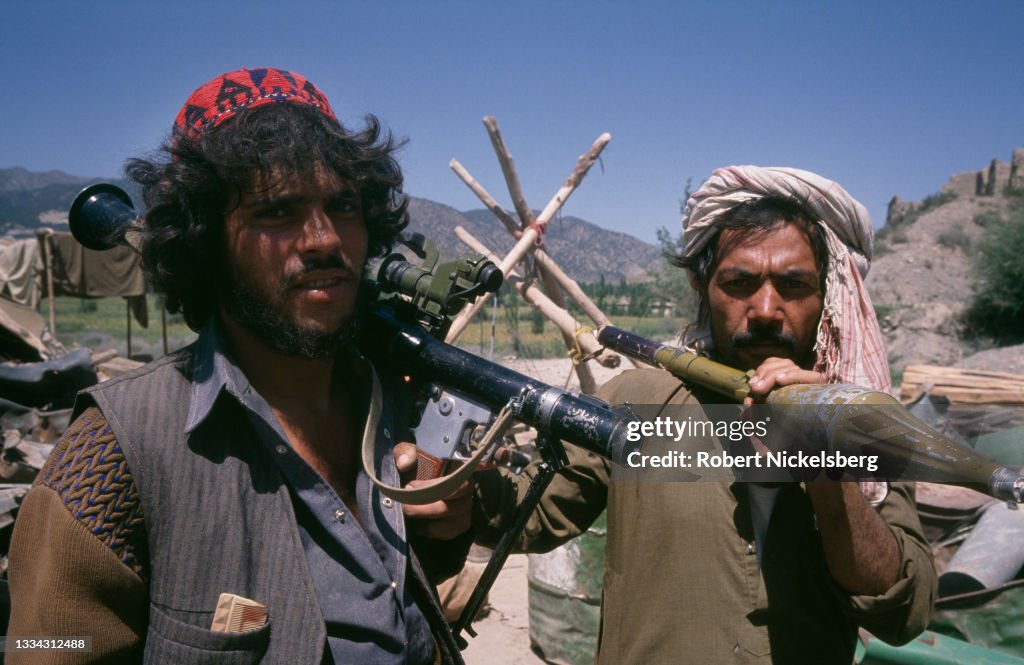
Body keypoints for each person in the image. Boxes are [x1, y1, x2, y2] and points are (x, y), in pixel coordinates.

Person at [6, 67, 471, 665]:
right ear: (206, 242)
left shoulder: (397, 405)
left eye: (344, 205)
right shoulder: (112, 457)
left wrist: (446, 530)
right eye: (278, 211)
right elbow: (44, 645)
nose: (324, 238)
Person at [473, 165, 937, 663]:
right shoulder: (638, 401)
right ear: (702, 284)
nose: (764, 308)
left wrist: (832, 475)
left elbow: (904, 609)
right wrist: (449, 488)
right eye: (739, 282)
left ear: (829, 293)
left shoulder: (868, 425)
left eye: (794, 285)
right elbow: (528, 513)